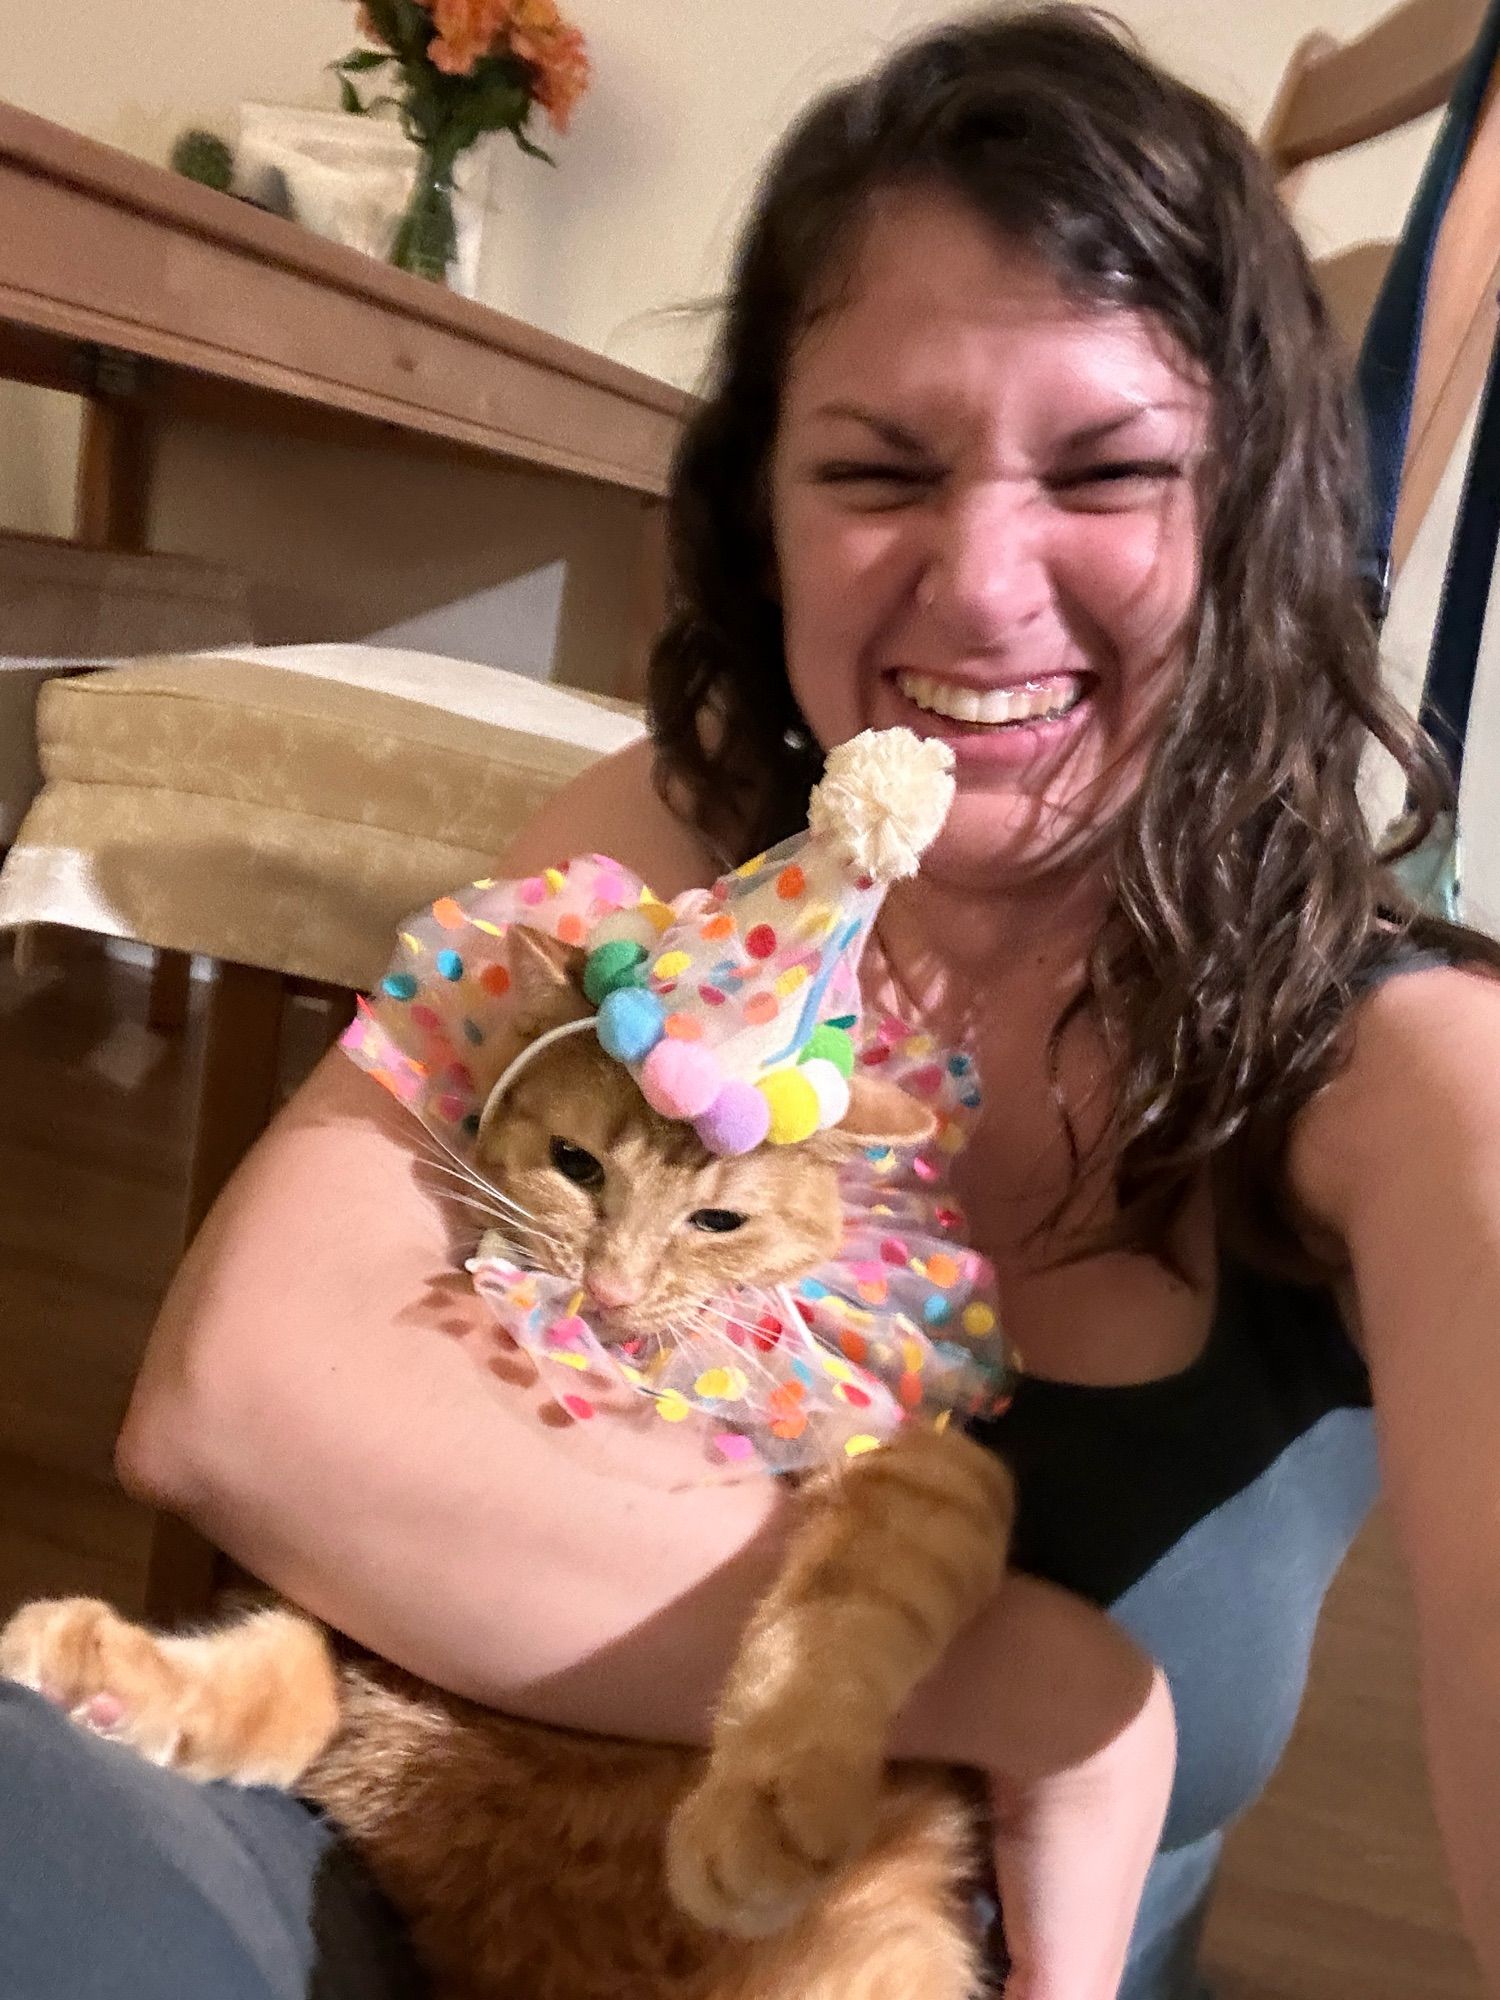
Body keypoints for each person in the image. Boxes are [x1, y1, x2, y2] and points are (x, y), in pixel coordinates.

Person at [7, 7, 1500, 1998]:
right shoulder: (678, 842)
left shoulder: (1390, 1059)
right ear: (759, 515)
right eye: (877, 467)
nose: (981, 587)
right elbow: (233, 1397)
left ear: (1251, 526)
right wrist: (1039, 1685)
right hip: (395, 1860)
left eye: (1112, 470)